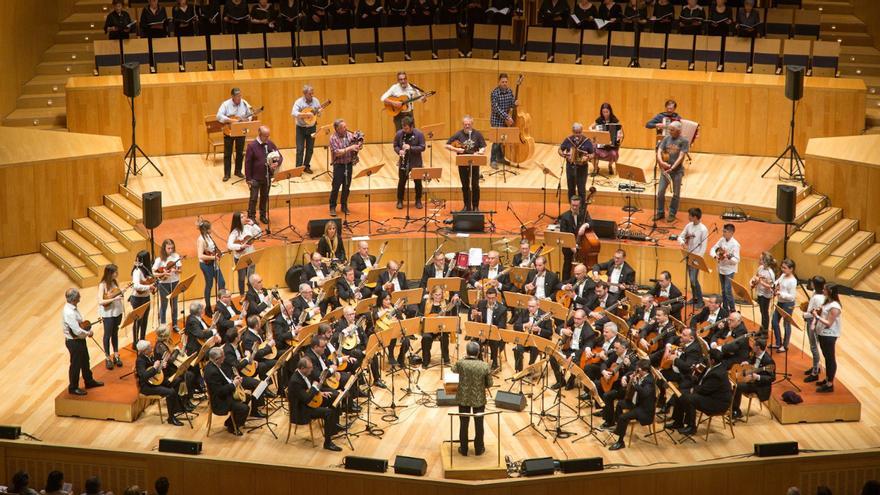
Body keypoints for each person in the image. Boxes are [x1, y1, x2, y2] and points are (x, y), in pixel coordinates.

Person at [667, 348, 732, 435]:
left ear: (712, 361)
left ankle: (691, 427)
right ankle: (678, 422)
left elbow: (705, 390)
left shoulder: (717, 374)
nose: (706, 358)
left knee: (690, 399)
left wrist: (693, 389)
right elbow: (703, 380)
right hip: (710, 395)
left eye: (708, 357)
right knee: (679, 394)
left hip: (717, 402)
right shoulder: (715, 365)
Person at [287, 356, 343, 451]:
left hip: (310, 402)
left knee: (333, 397)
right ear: (302, 368)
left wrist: (320, 393)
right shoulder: (295, 381)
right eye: (310, 368)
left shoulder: (304, 374)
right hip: (302, 410)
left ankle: (333, 427)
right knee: (328, 412)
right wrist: (314, 387)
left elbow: (307, 391)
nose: (312, 370)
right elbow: (306, 399)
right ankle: (328, 443)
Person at [451, 341, 493, 456]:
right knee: (479, 424)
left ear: (467, 352)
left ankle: (463, 449)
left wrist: (463, 358)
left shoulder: (461, 363)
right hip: (478, 399)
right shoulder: (484, 365)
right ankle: (479, 449)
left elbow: (453, 369)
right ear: (478, 352)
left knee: (463, 424)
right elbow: (489, 384)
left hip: (463, 398)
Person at [62, 288, 104, 396]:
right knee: (76, 365)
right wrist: (88, 333)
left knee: (85, 360)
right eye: (78, 296)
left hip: (79, 340)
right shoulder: (69, 312)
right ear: (74, 298)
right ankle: (73, 387)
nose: (80, 298)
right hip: (74, 342)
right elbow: (76, 330)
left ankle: (89, 381)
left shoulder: (73, 308)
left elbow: (79, 324)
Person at [608, 359, 655, 450]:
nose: (636, 370)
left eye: (638, 369)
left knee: (623, 417)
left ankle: (620, 442)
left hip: (644, 409)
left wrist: (635, 383)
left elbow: (644, 393)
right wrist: (628, 378)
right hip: (637, 403)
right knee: (620, 404)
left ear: (643, 370)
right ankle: (618, 427)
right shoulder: (641, 375)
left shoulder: (649, 381)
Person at [135, 340, 184, 426]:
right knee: (170, 392)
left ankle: (176, 408)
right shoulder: (140, 361)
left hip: (156, 381)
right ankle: (171, 418)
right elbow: (144, 376)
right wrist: (155, 367)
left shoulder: (150, 355)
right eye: (149, 347)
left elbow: (156, 370)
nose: (152, 348)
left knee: (177, 380)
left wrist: (162, 365)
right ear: (144, 351)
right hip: (147, 386)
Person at [445, 115, 487, 212]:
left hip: (475, 161)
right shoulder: (458, 134)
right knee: (465, 185)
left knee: (475, 184)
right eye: (465, 124)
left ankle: (475, 206)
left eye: (469, 124)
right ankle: (466, 206)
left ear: (472, 124)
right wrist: (456, 149)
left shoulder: (477, 134)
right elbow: (446, 145)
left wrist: (481, 151)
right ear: (462, 125)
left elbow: (483, 146)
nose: (467, 126)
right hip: (462, 162)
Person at [204, 346, 249, 435]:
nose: (225, 358)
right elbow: (220, 391)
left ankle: (230, 422)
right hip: (220, 401)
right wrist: (234, 384)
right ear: (217, 359)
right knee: (245, 408)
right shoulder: (212, 372)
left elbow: (223, 380)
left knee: (248, 397)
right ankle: (232, 427)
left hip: (225, 394)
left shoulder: (215, 364)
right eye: (223, 356)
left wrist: (233, 380)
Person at [244, 126, 282, 225]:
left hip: (267, 177)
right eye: (265, 136)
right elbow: (247, 163)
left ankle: (263, 215)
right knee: (253, 198)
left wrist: (276, 163)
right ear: (260, 135)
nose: (267, 138)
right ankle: (251, 217)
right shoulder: (252, 146)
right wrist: (248, 178)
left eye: (268, 136)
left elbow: (280, 156)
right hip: (255, 178)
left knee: (264, 197)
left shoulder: (270, 144)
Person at [216, 88, 255, 182]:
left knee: (240, 152)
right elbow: (218, 116)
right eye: (237, 96)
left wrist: (248, 119)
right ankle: (227, 174)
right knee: (227, 153)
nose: (239, 98)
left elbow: (251, 114)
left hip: (240, 130)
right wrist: (231, 120)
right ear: (232, 96)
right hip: (229, 130)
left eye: (240, 96)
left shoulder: (244, 103)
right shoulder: (225, 104)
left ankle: (238, 171)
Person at [731, 338, 774, 419]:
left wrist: (758, 377)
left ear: (758, 348)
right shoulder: (756, 353)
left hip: (760, 386)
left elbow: (772, 378)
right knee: (735, 381)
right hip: (751, 380)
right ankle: (733, 408)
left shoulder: (768, 361)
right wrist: (747, 362)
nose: (752, 346)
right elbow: (751, 360)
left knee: (737, 386)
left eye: (754, 345)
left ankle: (736, 411)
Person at [654, 121, 689, 223]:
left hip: (677, 171)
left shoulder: (684, 141)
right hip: (665, 170)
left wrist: (672, 168)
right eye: (669, 129)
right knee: (660, 192)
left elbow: (681, 156)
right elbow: (659, 151)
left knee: (676, 194)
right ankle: (660, 212)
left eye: (672, 130)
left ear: (679, 131)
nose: (670, 131)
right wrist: (661, 162)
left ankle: (672, 213)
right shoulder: (666, 138)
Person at [328, 118, 363, 217]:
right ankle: (332, 206)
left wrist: (359, 144)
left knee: (347, 186)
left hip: (348, 164)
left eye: (345, 126)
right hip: (339, 165)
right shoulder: (333, 138)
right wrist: (350, 148)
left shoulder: (349, 135)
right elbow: (337, 153)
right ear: (337, 129)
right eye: (343, 127)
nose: (345, 128)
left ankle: (344, 205)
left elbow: (358, 141)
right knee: (336, 186)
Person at [811, 283, 841, 393]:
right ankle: (828, 379)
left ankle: (830, 384)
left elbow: (829, 323)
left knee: (830, 359)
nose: (823, 290)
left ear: (830, 292)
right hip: (822, 333)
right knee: (826, 357)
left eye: (825, 289)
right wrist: (815, 320)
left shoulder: (835, 307)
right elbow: (821, 311)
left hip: (829, 335)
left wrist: (816, 316)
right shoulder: (827, 301)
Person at [468, 287, 508, 369]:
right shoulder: (481, 304)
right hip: (483, 332)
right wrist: (473, 315)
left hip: (495, 334)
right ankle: (480, 361)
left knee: (494, 341)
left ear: (496, 297)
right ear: (486, 297)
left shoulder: (502, 309)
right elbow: (473, 320)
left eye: (493, 298)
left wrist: (488, 333)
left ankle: (494, 363)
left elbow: (501, 326)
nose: (490, 300)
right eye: (489, 298)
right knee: (474, 341)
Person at [677, 207, 709, 308]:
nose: (688, 217)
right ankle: (695, 298)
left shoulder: (703, 229)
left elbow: (703, 247)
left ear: (695, 217)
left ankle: (700, 301)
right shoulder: (689, 226)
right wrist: (683, 243)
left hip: (696, 258)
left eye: (690, 215)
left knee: (693, 279)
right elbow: (680, 237)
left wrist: (697, 259)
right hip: (688, 255)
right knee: (691, 280)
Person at [393, 117, 427, 210]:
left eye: (406, 128)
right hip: (403, 162)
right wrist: (399, 151)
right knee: (402, 181)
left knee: (418, 182)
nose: (405, 130)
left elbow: (422, 147)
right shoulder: (400, 133)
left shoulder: (419, 134)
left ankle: (418, 200)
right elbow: (395, 145)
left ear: (412, 127)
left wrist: (410, 148)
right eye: (403, 128)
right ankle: (400, 200)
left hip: (416, 162)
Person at [512, 296, 553, 372]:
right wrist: (524, 325)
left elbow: (550, 332)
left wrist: (539, 330)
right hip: (525, 340)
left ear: (538, 306)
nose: (530, 308)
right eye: (529, 306)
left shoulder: (544, 315)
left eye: (532, 306)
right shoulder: (524, 312)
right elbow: (515, 326)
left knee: (534, 347)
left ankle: (531, 367)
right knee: (518, 349)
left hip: (537, 341)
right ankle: (518, 371)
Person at [557, 195, 593, 280]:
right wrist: (571, 246)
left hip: (581, 245)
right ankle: (565, 282)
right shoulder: (564, 216)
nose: (574, 207)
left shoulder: (584, 213)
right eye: (573, 205)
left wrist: (585, 226)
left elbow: (591, 222)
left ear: (580, 205)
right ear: (570, 204)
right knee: (567, 264)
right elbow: (564, 234)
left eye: (576, 206)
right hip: (568, 246)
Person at [227, 211, 262, 296]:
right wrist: (240, 247)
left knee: (251, 277)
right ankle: (242, 295)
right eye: (242, 217)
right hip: (240, 258)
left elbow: (259, 234)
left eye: (244, 216)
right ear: (237, 220)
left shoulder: (249, 227)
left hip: (250, 255)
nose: (244, 218)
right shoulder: (235, 232)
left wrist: (253, 224)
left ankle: (251, 294)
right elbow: (229, 245)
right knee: (242, 278)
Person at [97, 264, 124, 369]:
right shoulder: (102, 285)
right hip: (108, 314)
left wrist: (121, 294)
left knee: (115, 333)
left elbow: (118, 294)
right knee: (107, 335)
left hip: (117, 312)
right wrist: (114, 299)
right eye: (115, 272)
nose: (117, 274)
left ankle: (116, 355)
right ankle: (108, 357)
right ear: (109, 273)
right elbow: (100, 301)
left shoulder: (115, 282)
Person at [291, 85, 322, 174]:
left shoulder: (316, 101)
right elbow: (293, 113)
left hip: (312, 127)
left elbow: (318, 114)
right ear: (304, 94)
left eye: (313, 93)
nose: (312, 95)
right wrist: (305, 115)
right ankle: (298, 169)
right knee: (300, 149)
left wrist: (319, 113)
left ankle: (306, 166)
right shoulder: (299, 102)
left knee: (310, 149)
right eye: (310, 93)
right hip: (300, 128)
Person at [196, 219, 226, 313]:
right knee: (209, 285)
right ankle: (208, 307)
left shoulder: (208, 236)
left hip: (213, 262)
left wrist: (219, 253)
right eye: (210, 228)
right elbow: (200, 255)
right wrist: (214, 257)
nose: (211, 229)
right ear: (206, 229)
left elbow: (212, 249)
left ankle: (221, 304)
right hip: (206, 265)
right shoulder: (201, 240)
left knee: (222, 282)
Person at [710, 223, 740, 313]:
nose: (723, 233)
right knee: (723, 290)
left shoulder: (735, 244)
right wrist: (715, 256)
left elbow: (737, 260)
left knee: (727, 290)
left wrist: (728, 256)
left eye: (725, 231)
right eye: (723, 231)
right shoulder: (722, 240)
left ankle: (732, 309)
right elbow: (713, 249)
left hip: (729, 270)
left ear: (731, 233)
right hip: (721, 268)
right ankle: (725, 309)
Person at [558, 123, 594, 199]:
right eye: (575, 133)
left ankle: (582, 209)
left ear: (582, 131)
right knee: (571, 189)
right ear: (572, 131)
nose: (577, 134)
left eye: (579, 132)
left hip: (582, 168)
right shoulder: (568, 140)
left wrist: (587, 158)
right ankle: (572, 208)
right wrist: (564, 155)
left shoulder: (587, 141)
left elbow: (592, 153)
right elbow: (560, 149)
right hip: (570, 167)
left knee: (581, 189)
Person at [153, 239, 182, 331]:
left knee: (174, 305)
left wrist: (175, 270)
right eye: (168, 248)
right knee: (164, 305)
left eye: (172, 248)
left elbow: (180, 270)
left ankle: (175, 324)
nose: (170, 250)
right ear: (164, 248)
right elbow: (154, 273)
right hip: (163, 284)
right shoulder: (159, 260)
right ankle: (163, 326)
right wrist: (163, 274)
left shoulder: (176, 256)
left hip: (175, 282)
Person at [489, 73, 517, 170]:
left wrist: (515, 104)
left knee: (502, 140)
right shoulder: (494, 93)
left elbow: (511, 104)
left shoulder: (510, 91)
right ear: (499, 82)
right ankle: (492, 160)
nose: (504, 83)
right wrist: (507, 117)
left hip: (505, 120)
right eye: (502, 82)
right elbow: (496, 108)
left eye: (506, 82)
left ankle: (500, 158)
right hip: (496, 120)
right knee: (496, 141)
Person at [802, 276, 826, 382]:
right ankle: (815, 365)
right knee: (814, 346)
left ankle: (815, 372)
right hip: (814, 321)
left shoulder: (817, 297)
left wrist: (804, 314)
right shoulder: (817, 293)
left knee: (813, 347)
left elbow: (812, 313)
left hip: (813, 322)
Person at [589, 103, 623, 175]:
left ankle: (610, 166)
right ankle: (596, 168)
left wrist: (619, 136)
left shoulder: (615, 120)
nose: (605, 114)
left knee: (613, 154)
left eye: (607, 112)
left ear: (610, 111)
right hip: (601, 144)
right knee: (591, 151)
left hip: (611, 145)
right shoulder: (599, 119)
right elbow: (590, 127)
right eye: (603, 112)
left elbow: (621, 133)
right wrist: (594, 131)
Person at [772, 258, 797, 353]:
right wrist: (774, 286)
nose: (782, 269)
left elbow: (792, 297)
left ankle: (785, 345)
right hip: (780, 302)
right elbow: (776, 282)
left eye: (785, 268)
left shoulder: (793, 281)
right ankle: (778, 342)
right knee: (774, 321)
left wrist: (780, 293)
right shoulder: (783, 275)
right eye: (782, 267)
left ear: (791, 269)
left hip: (788, 304)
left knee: (786, 324)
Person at [130, 250, 154, 345]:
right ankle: (135, 343)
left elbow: (149, 282)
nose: (138, 261)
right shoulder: (137, 271)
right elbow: (136, 286)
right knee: (138, 321)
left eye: (140, 259)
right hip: (137, 299)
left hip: (146, 297)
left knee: (144, 321)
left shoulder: (147, 270)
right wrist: (149, 287)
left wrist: (152, 288)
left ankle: (142, 340)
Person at [750, 251, 776, 333]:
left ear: (765, 262)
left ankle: (765, 331)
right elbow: (757, 276)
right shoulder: (760, 268)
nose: (759, 261)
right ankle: (762, 328)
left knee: (765, 313)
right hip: (759, 293)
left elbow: (772, 287)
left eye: (761, 259)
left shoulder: (770, 273)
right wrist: (754, 282)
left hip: (766, 295)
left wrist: (761, 282)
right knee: (762, 311)